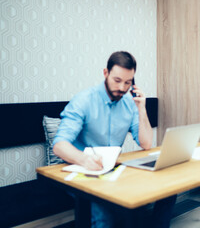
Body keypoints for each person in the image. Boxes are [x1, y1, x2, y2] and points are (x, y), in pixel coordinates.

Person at [53, 51, 176, 228]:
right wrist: (84, 159)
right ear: (106, 73)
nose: (122, 88)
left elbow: (146, 143)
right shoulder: (84, 100)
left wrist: (142, 109)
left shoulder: (129, 103)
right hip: (79, 169)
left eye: (128, 82)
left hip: (111, 169)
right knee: (103, 215)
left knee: (168, 190)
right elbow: (59, 145)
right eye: (117, 81)